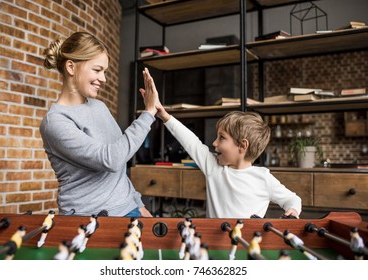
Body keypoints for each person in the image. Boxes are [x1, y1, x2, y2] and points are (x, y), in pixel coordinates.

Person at [146, 69, 302, 218]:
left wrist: (292, 210)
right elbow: (191, 142)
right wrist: (164, 115)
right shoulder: (214, 167)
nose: (214, 143)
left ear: (242, 145)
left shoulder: (263, 178)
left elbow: (293, 199)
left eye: (222, 138)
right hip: (214, 245)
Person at [40, 32, 160, 217]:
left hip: (129, 208)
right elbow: (111, 159)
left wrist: (137, 203)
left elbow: (119, 164)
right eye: (97, 70)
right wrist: (148, 113)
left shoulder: (99, 107)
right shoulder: (56, 122)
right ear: (71, 67)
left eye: (104, 71)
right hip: (90, 217)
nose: (103, 78)